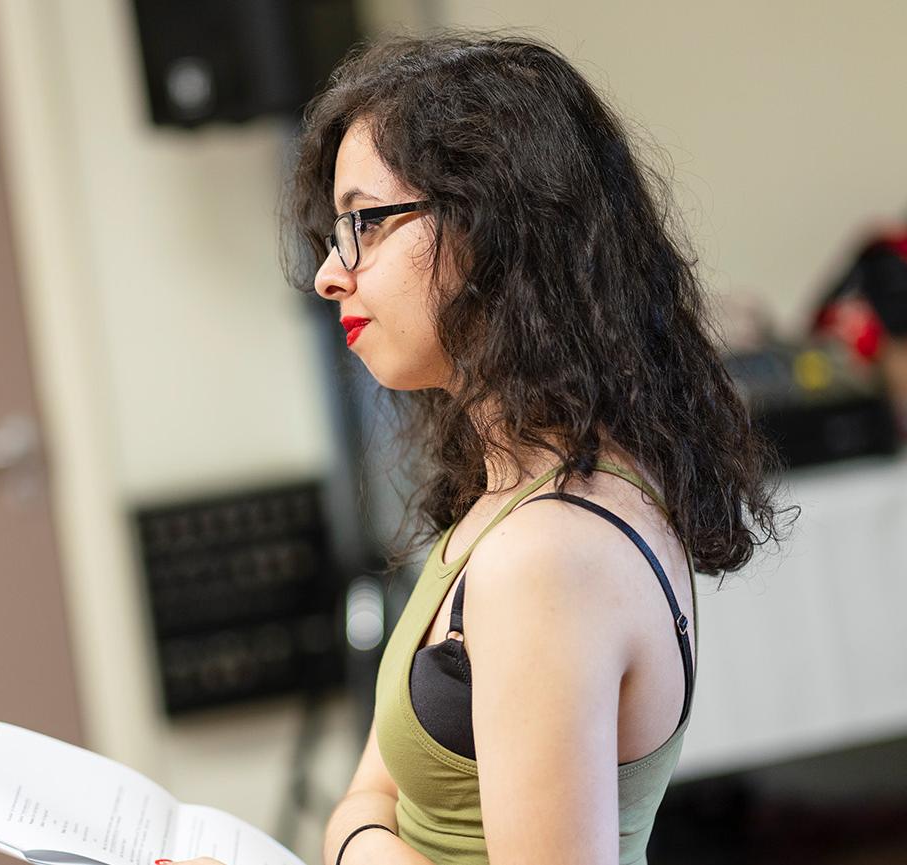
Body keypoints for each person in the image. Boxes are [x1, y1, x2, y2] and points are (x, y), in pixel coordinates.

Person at [175, 32, 790, 865]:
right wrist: (359, 835)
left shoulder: (549, 550)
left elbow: (361, 821)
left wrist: (355, 844)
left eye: (365, 223)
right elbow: (365, 798)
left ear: (493, 226)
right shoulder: (510, 495)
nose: (328, 273)